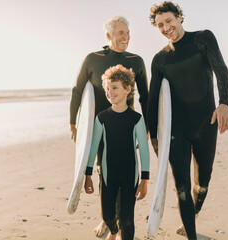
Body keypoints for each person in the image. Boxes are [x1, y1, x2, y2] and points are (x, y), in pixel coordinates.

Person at [147, 2, 228, 240]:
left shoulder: (203, 39)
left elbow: (221, 69)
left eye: (169, 21)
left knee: (202, 181)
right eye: (160, 25)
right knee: (181, 187)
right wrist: (153, 135)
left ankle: (194, 212)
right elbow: (153, 101)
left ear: (180, 17)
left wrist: (225, 102)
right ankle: (191, 235)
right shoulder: (160, 60)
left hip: (207, 124)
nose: (166, 27)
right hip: (176, 132)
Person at [69, 16, 149, 238]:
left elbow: (146, 97)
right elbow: (78, 91)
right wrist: (74, 122)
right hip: (99, 126)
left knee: (123, 172)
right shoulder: (93, 59)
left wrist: (148, 128)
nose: (126, 37)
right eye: (120, 33)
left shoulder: (137, 60)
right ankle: (108, 220)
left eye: (127, 32)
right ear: (108, 36)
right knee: (104, 173)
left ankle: (118, 224)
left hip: (125, 128)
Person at [84, 64, 150, 240]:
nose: (109, 92)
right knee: (107, 215)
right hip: (108, 176)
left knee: (127, 220)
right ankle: (113, 231)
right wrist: (88, 174)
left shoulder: (136, 119)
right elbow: (93, 147)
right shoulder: (102, 118)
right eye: (107, 88)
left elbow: (144, 150)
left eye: (114, 88)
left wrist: (144, 180)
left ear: (128, 89)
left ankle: (123, 234)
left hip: (130, 176)